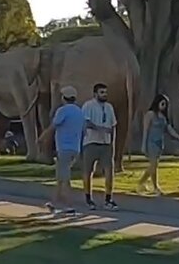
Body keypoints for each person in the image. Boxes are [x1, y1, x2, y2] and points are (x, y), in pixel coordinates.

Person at [39, 86, 85, 214]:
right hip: (75, 148)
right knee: (60, 177)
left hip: (64, 148)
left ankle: (70, 206)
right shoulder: (79, 111)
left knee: (65, 179)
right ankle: (53, 202)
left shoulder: (63, 111)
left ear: (64, 98)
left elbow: (53, 126)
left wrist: (42, 138)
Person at [81, 83, 119, 211]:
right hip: (91, 142)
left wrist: (112, 142)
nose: (104, 95)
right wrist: (100, 129)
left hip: (106, 144)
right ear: (95, 94)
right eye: (102, 92)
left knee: (109, 171)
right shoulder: (88, 106)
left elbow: (113, 125)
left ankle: (108, 199)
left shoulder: (109, 107)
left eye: (105, 92)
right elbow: (86, 122)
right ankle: (88, 198)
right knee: (88, 171)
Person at [136, 94, 179, 195]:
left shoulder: (163, 117)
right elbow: (145, 130)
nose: (164, 106)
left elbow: (169, 129)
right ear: (157, 103)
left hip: (159, 143)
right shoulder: (150, 114)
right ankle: (154, 186)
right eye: (162, 103)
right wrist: (143, 145)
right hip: (150, 143)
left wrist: (178, 137)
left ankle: (142, 183)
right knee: (154, 165)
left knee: (153, 165)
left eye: (165, 104)